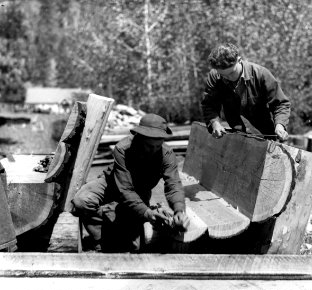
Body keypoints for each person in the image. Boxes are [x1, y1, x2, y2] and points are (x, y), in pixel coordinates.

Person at [72, 113, 190, 252]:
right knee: (82, 200)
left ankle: (119, 228)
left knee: (134, 246)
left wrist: (179, 210)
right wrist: (147, 213)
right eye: (148, 146)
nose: (153, 151)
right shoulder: (123, 148)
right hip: (112, 183)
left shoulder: (167, 154)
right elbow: (125, 189)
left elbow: (174, 185)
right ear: (138, 138)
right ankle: (99, 238)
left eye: (157, 146)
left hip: (140, 191)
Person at [201, 43, 290, 141]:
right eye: (223, 75)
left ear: (239, 60)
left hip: (266, 135)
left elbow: (281, 104)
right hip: (237, 136)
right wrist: (215, 123)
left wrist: (280, 125)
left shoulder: (261, 74)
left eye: (231, 73)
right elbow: (209, 105)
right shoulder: (215, 76)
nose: (228, 78)